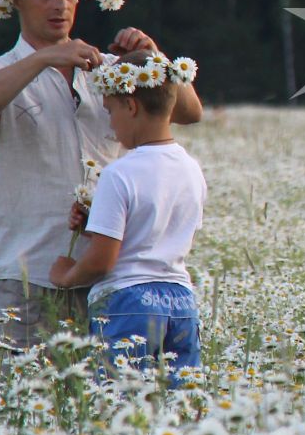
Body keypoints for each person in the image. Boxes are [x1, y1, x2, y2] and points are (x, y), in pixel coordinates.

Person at [0, 0, 202, 353]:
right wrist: (44, 59)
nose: (60, 5)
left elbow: (189, 111)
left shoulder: (105, 68)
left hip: (109, 279)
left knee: (106, 408)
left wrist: (153, 57)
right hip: (29, 275)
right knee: (26, 408)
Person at [50, 50, 206, 384]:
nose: (110, 122)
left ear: (131, 106)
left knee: (121, 400)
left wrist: (66, 276)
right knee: (179, 400)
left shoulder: (118, 174)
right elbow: (155, 232)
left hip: (128, 302)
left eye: (111, 110)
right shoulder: (192, 170)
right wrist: (96, 227)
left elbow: (103, 262)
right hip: (181, 301)